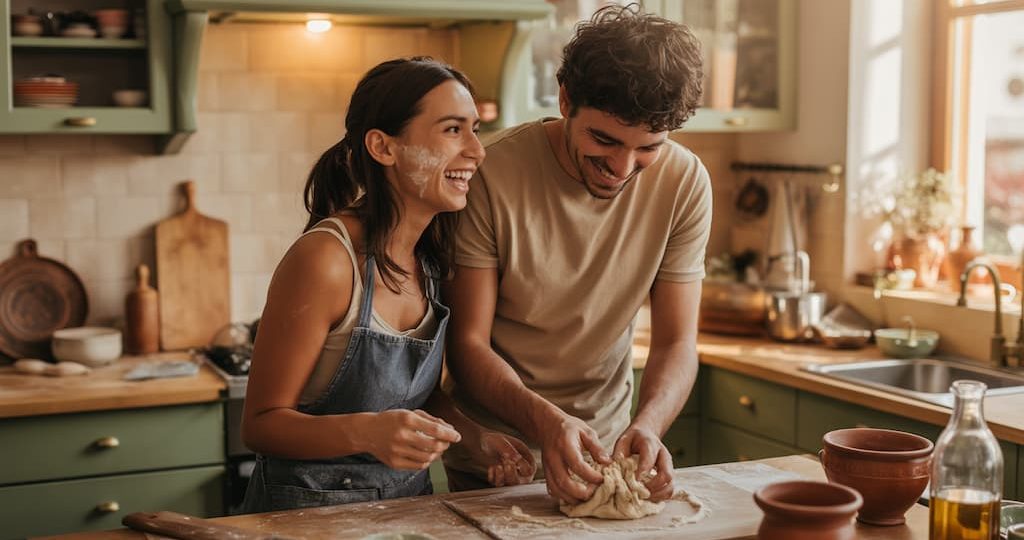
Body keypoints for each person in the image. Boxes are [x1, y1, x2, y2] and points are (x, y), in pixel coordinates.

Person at [442, 4, 710, 506]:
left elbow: (677, 341)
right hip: (502, 458)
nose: (622, 167)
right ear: (565, 100)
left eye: (647, 147)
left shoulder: (685, 182)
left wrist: (648, 426)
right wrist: (545, 423)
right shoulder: (491, 175)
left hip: (609, 453)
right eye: (603, 140)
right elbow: (467, 345)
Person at [240, 57, 536, 513]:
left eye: (475, 129)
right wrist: (366, 432)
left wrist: (475, 438)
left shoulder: (430, 254)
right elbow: (260, 424)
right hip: (303, 519)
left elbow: (410, 393)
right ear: (383, 146)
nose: (477, 151)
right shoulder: (326, 260)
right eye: (453, 130)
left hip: (405, 513)